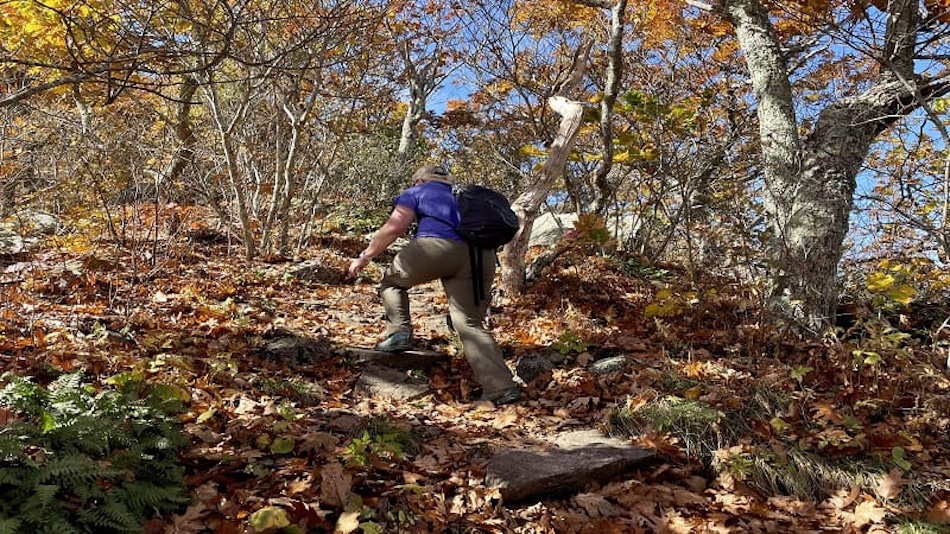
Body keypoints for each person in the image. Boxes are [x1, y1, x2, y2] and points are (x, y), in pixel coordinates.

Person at [347, 165, 522, 405]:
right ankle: (501, 388)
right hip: (481, 256)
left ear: (419, 180)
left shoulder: (417, 192)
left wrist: (365, 256)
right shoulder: (463, 195)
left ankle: (399, 333)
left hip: (436, 248)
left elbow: (394, 228)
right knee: (469, 323)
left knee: (391, 281)